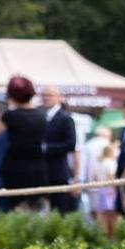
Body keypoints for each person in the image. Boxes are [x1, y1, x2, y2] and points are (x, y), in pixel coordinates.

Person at [0, 76, 51, 213]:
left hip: (15, 168)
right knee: (36, 209)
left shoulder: (10, 116)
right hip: (38, 167)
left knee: (15, 209)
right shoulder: (42, 115)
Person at [40, 85, 80, 213]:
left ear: (58, 98)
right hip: (41, 172)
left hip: (58, 172)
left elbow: (70, 144)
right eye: (44, 95)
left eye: (50, 95)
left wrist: (47, 148)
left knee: (59, 209)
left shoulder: (66, 118)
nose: (46, 98)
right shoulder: (40, 116)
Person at [88, 140, 120, 238]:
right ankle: (112, 236)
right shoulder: (110, 163)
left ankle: (104, 235)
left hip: (101, 190)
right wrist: (113, 188)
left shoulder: (99, 163)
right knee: (112, 214)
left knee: (103, 215)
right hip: (110, 190)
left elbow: (94, 177)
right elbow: (111, 177)